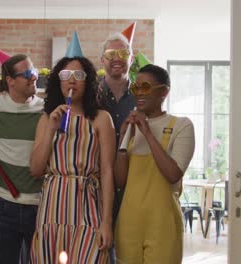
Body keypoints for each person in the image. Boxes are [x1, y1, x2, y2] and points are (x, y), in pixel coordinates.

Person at [30, 55, 115, 263]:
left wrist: (106, 222)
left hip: (88, 209)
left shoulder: (102, 119)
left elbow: (106, 172)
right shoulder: (46, 119)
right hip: (52, 210)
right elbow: (35, 169)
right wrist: (51, 127)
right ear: (58, 81)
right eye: (66, 75)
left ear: (88, 81)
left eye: (79, 75)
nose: (72, 80)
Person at [114, 64, 195, 263]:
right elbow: (119, 180)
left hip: (163, 226)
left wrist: (148, 133)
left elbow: (173, 174)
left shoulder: (181, 126)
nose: (139, 93)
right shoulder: (131, 129)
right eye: (136, 88)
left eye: (146, 87)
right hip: (129, 224)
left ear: (164, 92)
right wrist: (123, 139)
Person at [0, 53, 44, 263]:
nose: (34, 77)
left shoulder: (46, 111)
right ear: (10, 80)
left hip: (40, 205)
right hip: (3, 204)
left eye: (34, 72)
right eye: (27, 74)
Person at [98, 30, 137, 264]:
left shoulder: (143, 95)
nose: (117, 58)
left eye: (123, 53)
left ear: (131, 59)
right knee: (101, 250)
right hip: (96, 187)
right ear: (102, 59)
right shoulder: (90, 95)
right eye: (111, 53)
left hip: (134, 184)